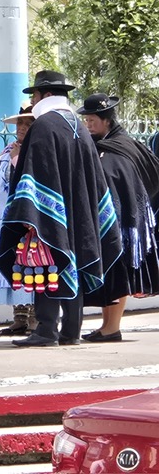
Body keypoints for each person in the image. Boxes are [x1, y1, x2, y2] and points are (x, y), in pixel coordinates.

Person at [0, 70, 122, 347]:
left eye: (36, 95)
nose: (33, 101)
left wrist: (30, 213)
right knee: (72, 263)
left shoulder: (44, 126)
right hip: (81, 214)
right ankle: (71, 331)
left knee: (47, 263)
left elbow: (34, 173)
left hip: (50, 213)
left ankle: (46, 329)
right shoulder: (77, 126)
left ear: (47, 95)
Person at [77, 93, 159, 342]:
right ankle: (107, 325)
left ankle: (112, 328)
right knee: (112, 274)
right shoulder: (111, 145)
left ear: (106, 121)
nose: (88, 125)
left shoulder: (118, 147)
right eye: (86, 121)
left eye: (92, 120)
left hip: (125, 222)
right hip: (121, 218)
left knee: (117, 273)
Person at [0, 102, 36, 336]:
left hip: (24, 221)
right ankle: (19, 316)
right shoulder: (8, 151)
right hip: (4, 219)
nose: (22, 128)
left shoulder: (34, 152)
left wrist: (17, 159)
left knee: (30, 263)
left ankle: (35, 316)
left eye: (27, 124)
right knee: (11, 265)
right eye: (20, 124)